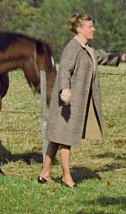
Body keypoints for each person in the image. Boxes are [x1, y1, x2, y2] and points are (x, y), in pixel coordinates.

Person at [42, 14, 120, 188]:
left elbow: (102, 57)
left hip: (74, 102)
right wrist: (66, 90)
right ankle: (66, 177)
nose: (93, 29)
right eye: (89, 26)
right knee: (66, 138)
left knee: (57, 137)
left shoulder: (86, 48)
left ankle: (45, 173)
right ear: (79, 29)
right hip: (67, 102)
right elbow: (64, 70)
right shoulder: (73, 47)